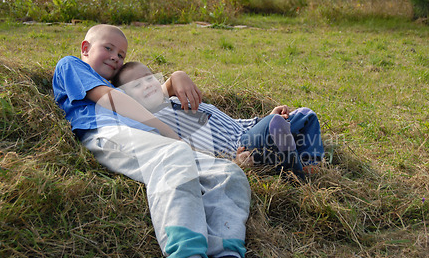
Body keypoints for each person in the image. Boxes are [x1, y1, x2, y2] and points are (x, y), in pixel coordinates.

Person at [52, 24, 278, 258]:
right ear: (86, 49)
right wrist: (166, 131)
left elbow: (154, 93)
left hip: (151, 140)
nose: (115, 57)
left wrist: (177, 77)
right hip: (106, 133)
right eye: (108, 48)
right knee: (174, 154)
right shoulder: (72, 66)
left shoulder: (117, 84)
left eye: (121, 54)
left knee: (227, 173)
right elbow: (111, 99)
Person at [112, 61, 324, 178]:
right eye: (137, 86)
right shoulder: (155, 121)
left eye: (149, 78)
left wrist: (264, 119)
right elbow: (189, 155)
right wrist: (233, 163)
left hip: (250, 130)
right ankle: (296, 172)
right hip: (241, 150)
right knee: (276, 126)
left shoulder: (181, 98)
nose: (147, 85)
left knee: (305, 115)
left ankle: (309, 163)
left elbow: (232, 123)